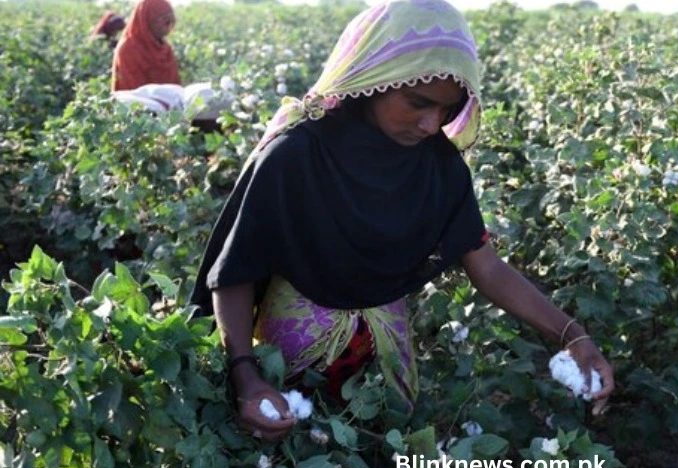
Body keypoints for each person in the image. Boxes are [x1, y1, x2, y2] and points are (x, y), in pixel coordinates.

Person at [189, 0, 615, 442]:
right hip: (288, 371)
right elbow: (236, 272)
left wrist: (571, 335)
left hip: (385, 372)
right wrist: (246, 375)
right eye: (418, 103)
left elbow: (486, 266)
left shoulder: (439, 167)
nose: (432, 124)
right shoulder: (296, 156)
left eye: (448, 111)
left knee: (379, 462)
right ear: (376, 78)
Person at [111, 0, 180, 91]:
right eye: (165, 22)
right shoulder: (129, 49)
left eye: (171, 22)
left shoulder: (166, 49)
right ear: (146, 21)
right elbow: (134, 93)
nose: (169, 27)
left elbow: (176, 86)